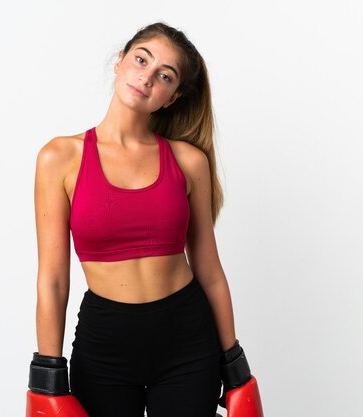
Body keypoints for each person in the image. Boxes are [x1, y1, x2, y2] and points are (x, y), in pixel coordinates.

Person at [26, 22, 264, 417]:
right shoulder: (60, 158)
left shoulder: (189, 162)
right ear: (119, 62)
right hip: (105, 346)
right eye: (141, 59)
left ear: (172, 97)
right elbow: (52, 280)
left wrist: (233, 361)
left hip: (187, 341)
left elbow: (210, 272)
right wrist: (47, 371)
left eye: (164, 76)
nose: (147, 77)